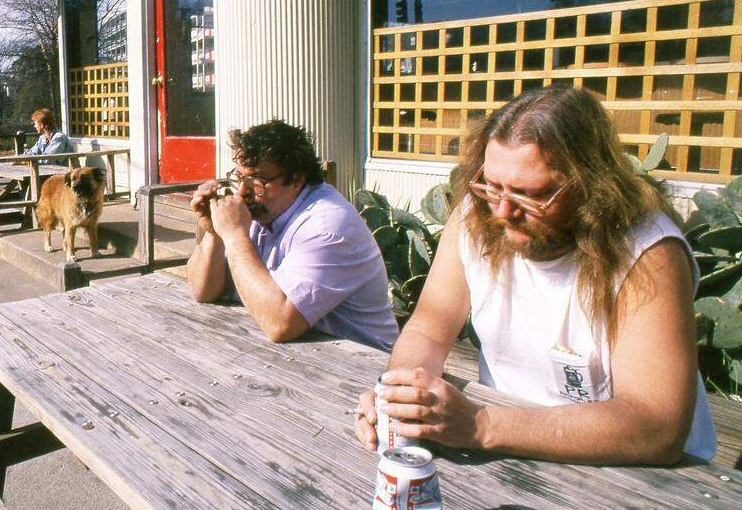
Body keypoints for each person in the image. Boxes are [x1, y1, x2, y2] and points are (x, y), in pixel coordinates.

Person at [354, 86, 716, 464]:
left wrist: (482, 425)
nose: (503, 211)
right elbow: (430, 326)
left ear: (591, 187)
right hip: (505, 447)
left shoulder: (648, 251)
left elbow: (656, 427)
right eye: (492, 186)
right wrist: (401, 395)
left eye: (530, 194)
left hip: (636, 470)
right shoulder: (477, 215)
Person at [187, 119, 398, 349]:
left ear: (297, 179)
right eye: (239, 177)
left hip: (363, 365)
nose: (242, 191)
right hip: (301, 356)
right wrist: (214, 233)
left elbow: (279, 324)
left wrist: (235, 236)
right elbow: (202, 291)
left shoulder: (328, 225)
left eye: (256, 180)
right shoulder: (264, 209)